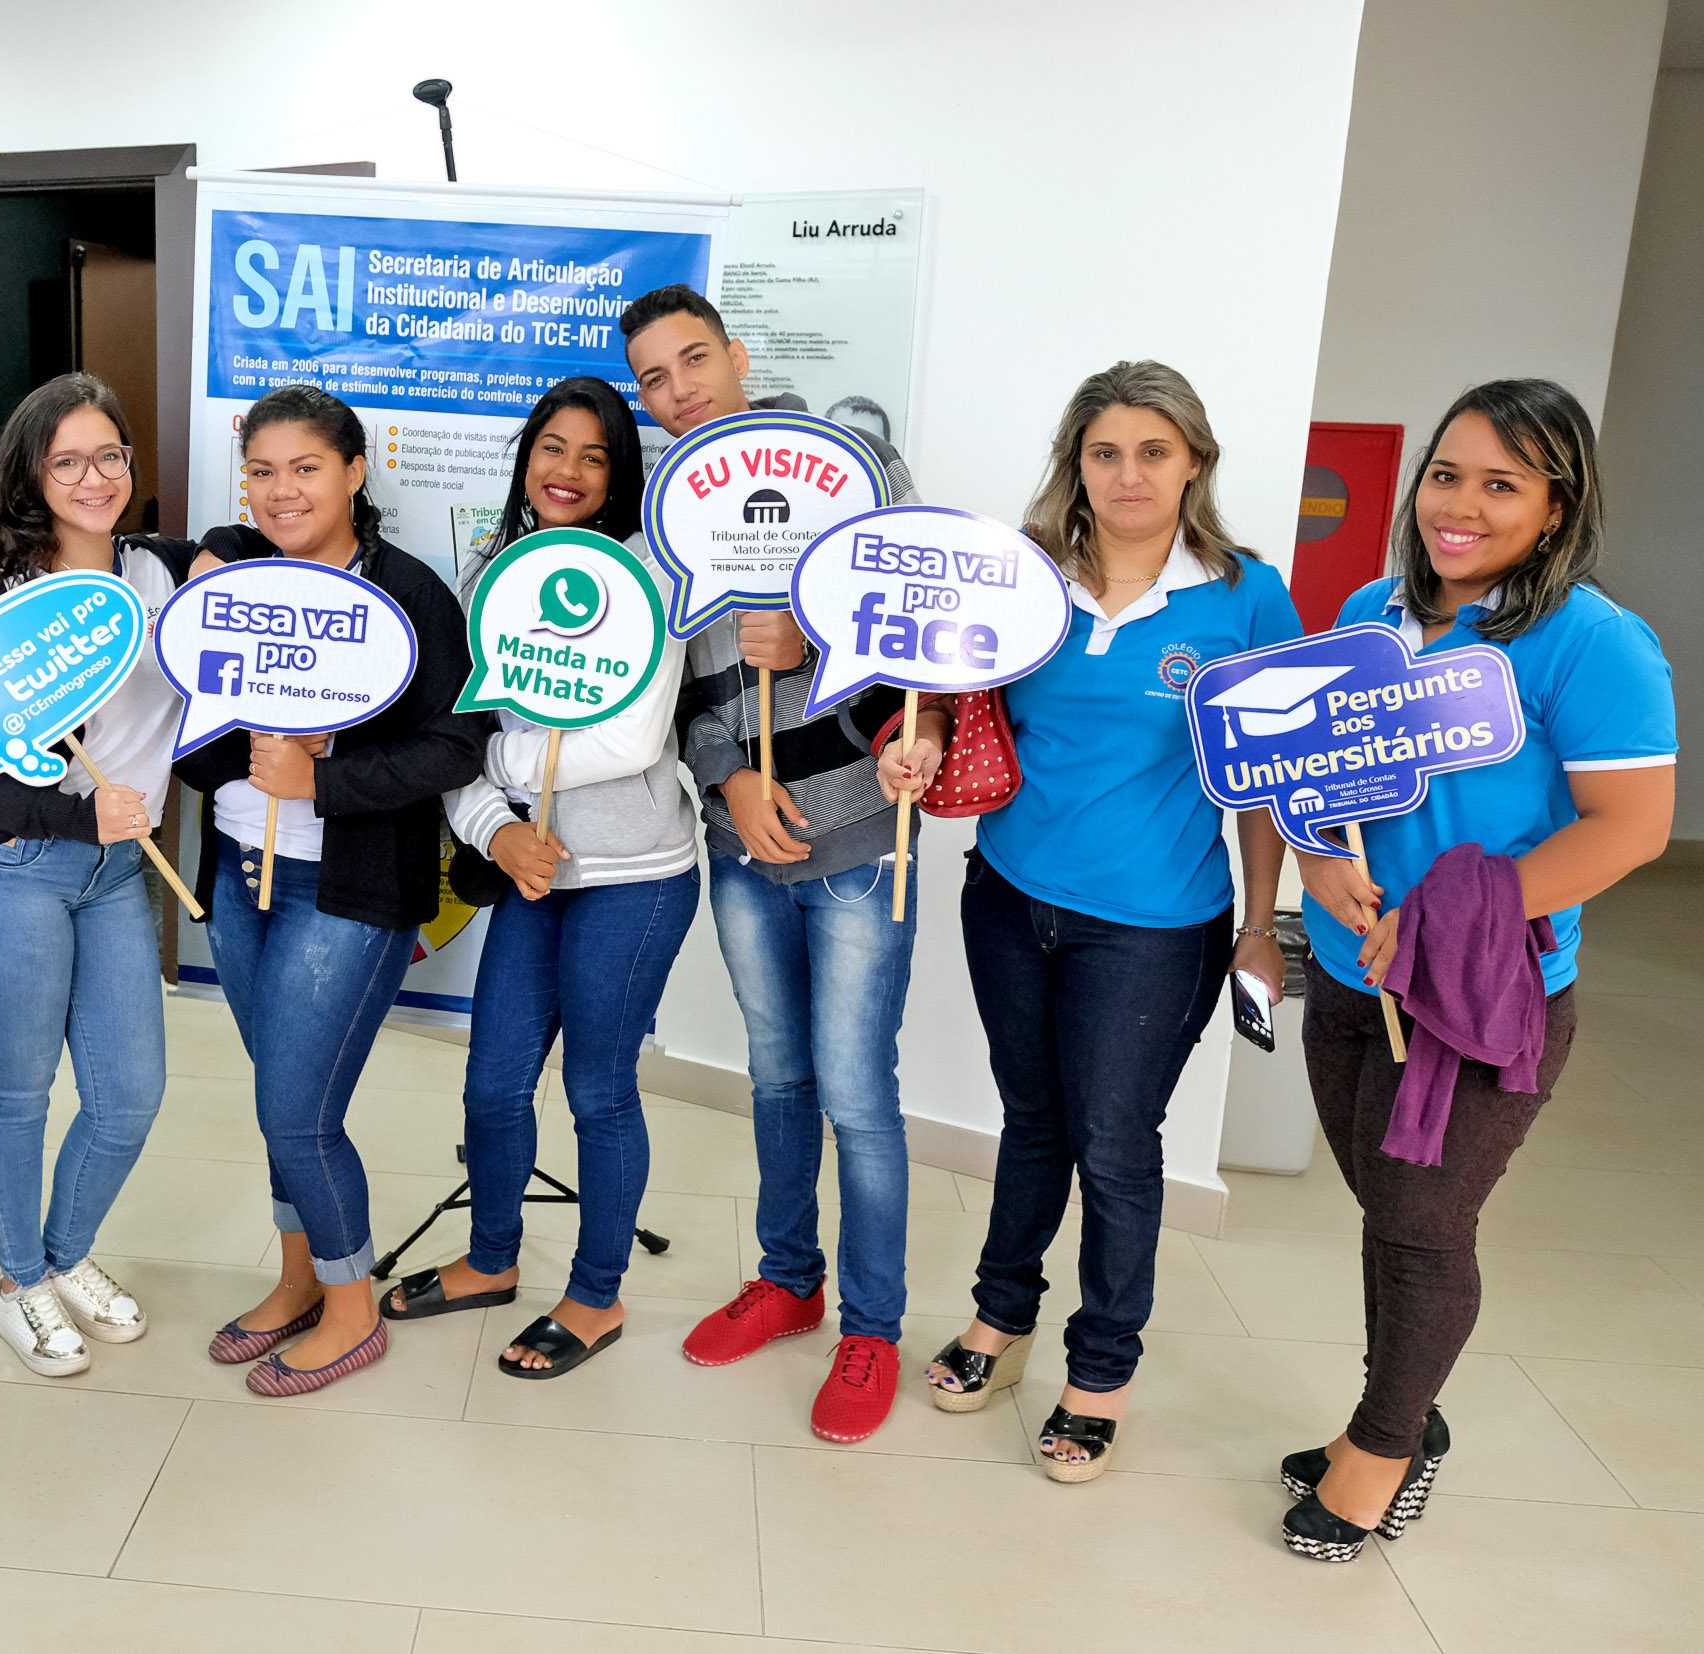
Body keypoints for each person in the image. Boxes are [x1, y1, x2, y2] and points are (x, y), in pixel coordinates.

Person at [1281, 380, 1675, 1560]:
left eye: (1500, 484)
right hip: (1352, 977)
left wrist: (1457, 912)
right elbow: (1323, 776)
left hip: (1480, 997)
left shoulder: (1593, 642)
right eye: (1444, 474)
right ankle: (1399, 1410)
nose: (1458, 505)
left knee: (1418, 1223)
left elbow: (1629, 827)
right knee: (1383, 1206)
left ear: (1556, 507)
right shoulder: (1371, 610)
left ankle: (1382, 1447)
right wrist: (1315, 859)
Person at [922, 360, 1296, 1482]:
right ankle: (1001, 1317)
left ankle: (1100, 1372)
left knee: (1117, 1146)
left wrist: (1262, 923)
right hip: (1007, 897)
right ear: (1074, 464)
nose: (1127, 473)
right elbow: (953, 701)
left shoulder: (1244, 596)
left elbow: (1268, 781)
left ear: (1193, 463)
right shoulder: (1021, 575)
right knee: (1031, 1120)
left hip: (1153, 926)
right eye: (1104, 452)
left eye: (1152, 451)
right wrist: (920, 744)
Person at [620, 284, 932, 1444]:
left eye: (692, 359)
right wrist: (727, 779)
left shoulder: (851, 467)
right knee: (778, 1075)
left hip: (857, 835)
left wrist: (817, 631)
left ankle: (872, 1326)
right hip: (741, 841)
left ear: (737, 353)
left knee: (855, 1087)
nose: (678, 390)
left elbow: (930, 623)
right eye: (653, 378)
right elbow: (671, 687)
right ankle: (787, 1277)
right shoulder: (667, 505)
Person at [382, 377, 698, 1379]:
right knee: (491, 1083)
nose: (568, 470)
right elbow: (449, 737)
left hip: (633, 876)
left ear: (618, 475)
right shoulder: (489, 570)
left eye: (593, 455)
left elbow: (632, 738)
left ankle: (596, 1295)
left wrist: (502, 773)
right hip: (528, 872)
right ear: (526, 459)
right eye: (551, 448)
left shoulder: (650, 573)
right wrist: (496, 830)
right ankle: (491, 1260)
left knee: (598, 1090)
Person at [178, 383, 485, 1396]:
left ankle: (353, 1314)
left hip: (346, 888)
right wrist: (220, 550)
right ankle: (299, 1280)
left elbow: (454, 745)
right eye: (261, 472)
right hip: (241, 875)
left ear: (354, 471)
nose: (281, 491)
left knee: (295, 1109)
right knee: (281, 1096)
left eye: (305, 468)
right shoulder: (235, 572)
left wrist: (325, 774)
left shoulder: (410, 594)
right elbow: (199, 717)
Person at [0, 373, 197, 1379]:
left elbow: (232, 570)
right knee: (20, 1090)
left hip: (117, 870)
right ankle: (18, 1282)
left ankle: (63, 1253)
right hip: (7, 866)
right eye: (66, 461)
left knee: (129, 1095)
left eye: (108, 455)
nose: (93, 477)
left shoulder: (160, 571)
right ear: (30, 476)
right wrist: (77, 814)